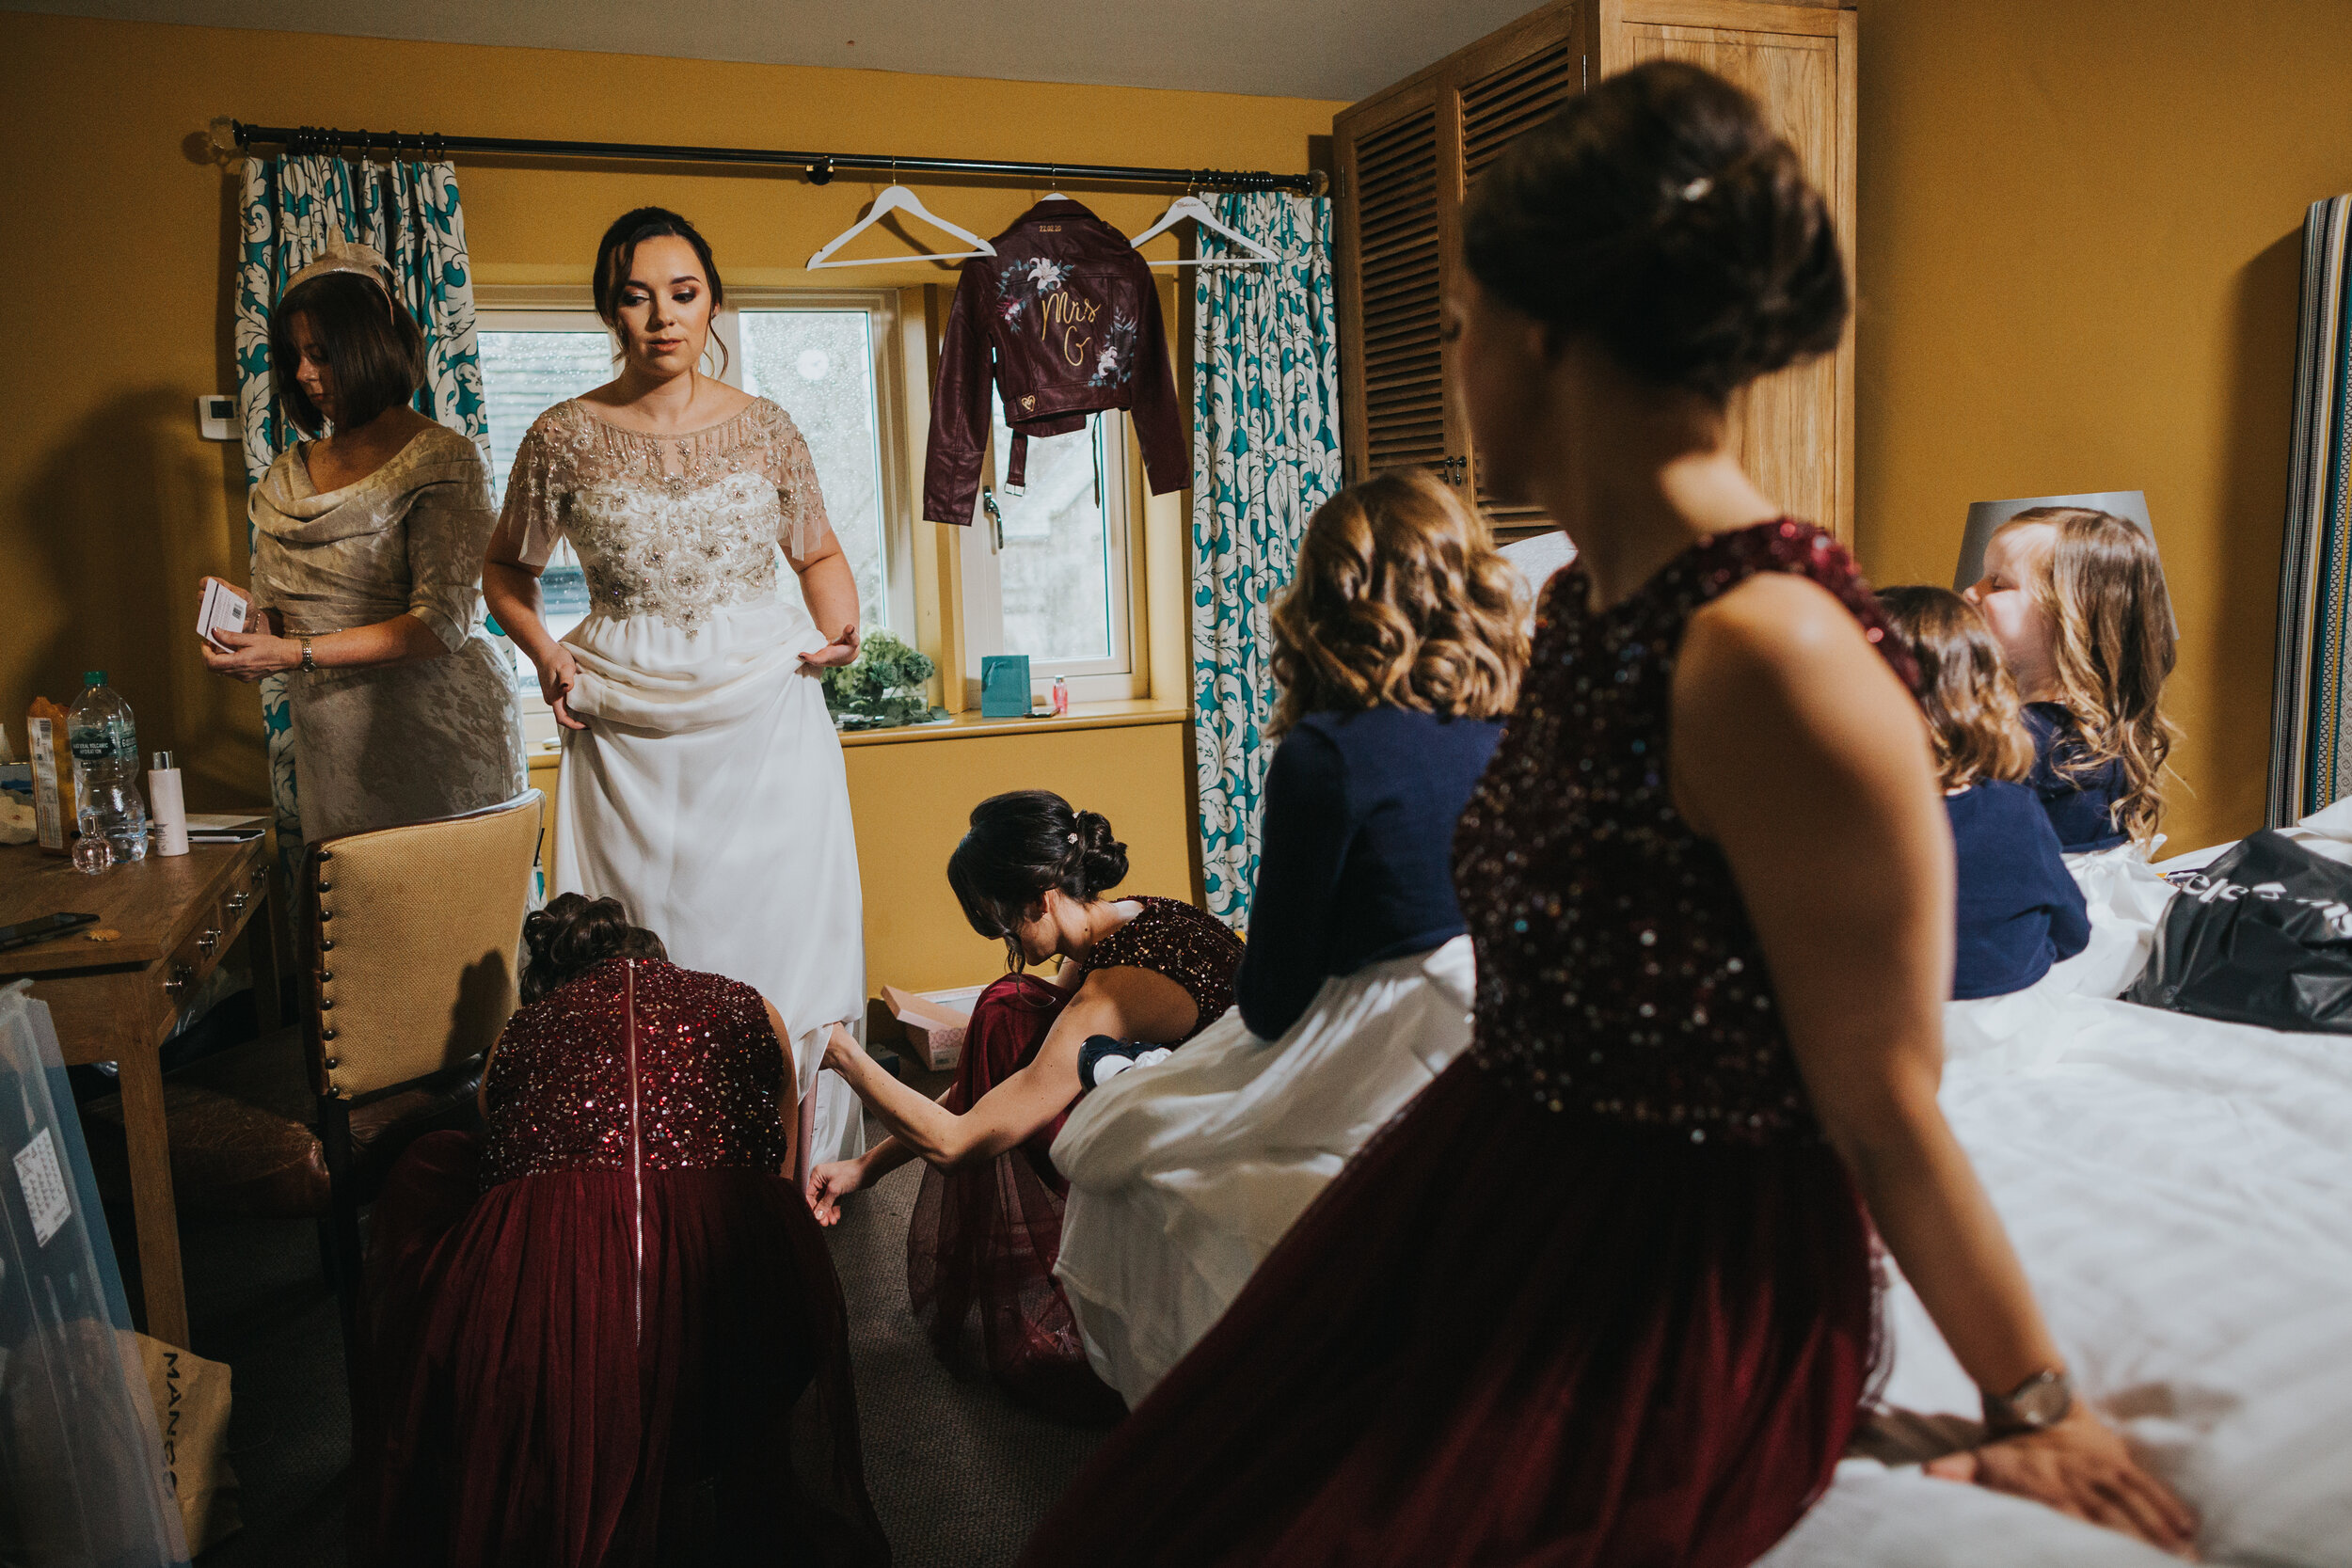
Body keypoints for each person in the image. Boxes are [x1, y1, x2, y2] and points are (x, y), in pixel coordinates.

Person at [1017, 60, 2197, 1567]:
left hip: (1664, 1246)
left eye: (1458, 330)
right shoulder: (1578, 605)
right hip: (1497, 1153)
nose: (1454, 372)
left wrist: (2034, 1402)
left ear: (1551, 334)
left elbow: (1885, 1095)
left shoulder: (1780, 654)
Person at [1050, 468, 1525, 1403]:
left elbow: (1270, 996)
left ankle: (1200, 1399)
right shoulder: (1515, 722)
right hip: (1505, 1015)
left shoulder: (1326, 751)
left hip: (1391, 1027)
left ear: (1326, 596)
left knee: (1130, 1144)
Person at [483, 207, 868, 1172]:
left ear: (713, 303)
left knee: (777, 937)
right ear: (609, 311)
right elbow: (503, 573)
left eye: (684, 294)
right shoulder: (561, 435)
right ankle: (645, 1158)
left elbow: (817, 551)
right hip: (626, 727)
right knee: (643, 945)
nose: (663, 316)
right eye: (637, 295)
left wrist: (841, 627)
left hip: (765, 716)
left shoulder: (768, 428)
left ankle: (787, 1161)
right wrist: (543, 651)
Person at [352, 895, 888, 1568]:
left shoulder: (516, 1038)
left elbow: (502, 1192)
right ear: (660, 961)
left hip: (563, 1331)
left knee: (439, 1166)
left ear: (555, 985)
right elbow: (778, 1182)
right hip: (736, 1324)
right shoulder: (753, 1008)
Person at [806, 791, 1243, 1420]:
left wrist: (843, 1052)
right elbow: (997, 1086)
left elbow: (960, 1141)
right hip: (1197, 1094)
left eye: (1003, 921)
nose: (1005, 938)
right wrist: (864, 1166)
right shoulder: (1128, 917)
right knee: (1009, 1007)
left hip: (1217, 1144)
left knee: (1005, 1009)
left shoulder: (1112, 995)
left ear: (1040, 897)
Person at [208, 241, 523, 842]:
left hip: (438, 738)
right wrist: (250, 625)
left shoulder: (444, 458)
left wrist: (296, 654)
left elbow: (441, 624)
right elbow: (285, 616)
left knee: (442, 919)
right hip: (329, 735)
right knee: (358, 922)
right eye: (295, 356)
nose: (303, 374)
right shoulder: (285, 473)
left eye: (322, 354)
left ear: (368, 348)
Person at [1878, 587, 2090, 1000]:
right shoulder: (2015, 808)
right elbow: (2073, 931)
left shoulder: (1841, 825)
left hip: (1898, 1030)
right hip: (2011, 1033)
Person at [1963, 506, 2177, 853]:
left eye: (1998, 584)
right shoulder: (2099, 728)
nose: (1973, 592)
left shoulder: (2034, 743)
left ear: (2071, 615)